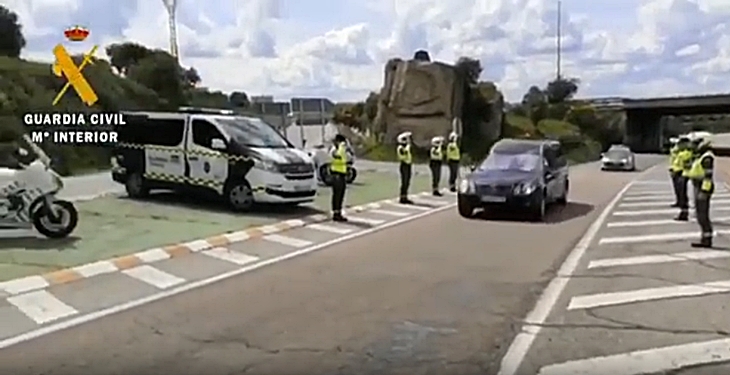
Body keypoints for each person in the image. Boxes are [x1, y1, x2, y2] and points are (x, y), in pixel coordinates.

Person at [686, 137, 715, 248]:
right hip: (698, 186)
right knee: (699, 214)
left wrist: (704, 191)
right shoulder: (700, 156)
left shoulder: (707, 157)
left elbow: (708, 176)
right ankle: (704, 237)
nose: (694, 146)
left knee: (703, 215)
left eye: (696, 144)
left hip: (703, 188)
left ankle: (707, 239)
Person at [329, 134, 349, 222]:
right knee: (337, 195)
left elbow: (346, 158)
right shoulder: (334, 149)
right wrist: (341, 146)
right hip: (336, 174)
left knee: (341, 195)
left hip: (342, 174)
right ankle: (336, 213)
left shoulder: (341, 149)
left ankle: (338, 212)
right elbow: (338, 155)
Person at [674, 137, 694, 221]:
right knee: (681, 194)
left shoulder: (686, 153)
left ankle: (684, 213)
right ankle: (683, 211)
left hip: (683, 174)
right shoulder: (681, 153)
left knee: (683, 194)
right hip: (679, 173)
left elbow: (687, 165)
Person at [397, 131, 414, 204]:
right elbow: (404, 155)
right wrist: (408, 146)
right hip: (404, 165)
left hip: (408, 165)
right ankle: (402, 197)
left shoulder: (406, 147)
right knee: (404, 181)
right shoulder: (401, 148)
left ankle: (405, 196)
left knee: (407, 181)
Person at [668, 138, 680, 207]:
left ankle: (680, 201)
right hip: (674, 169)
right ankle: (678, 201)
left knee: (679, 189)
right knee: (676, 188)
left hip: (678, 170)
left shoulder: (677, 150)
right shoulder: (674, 150)